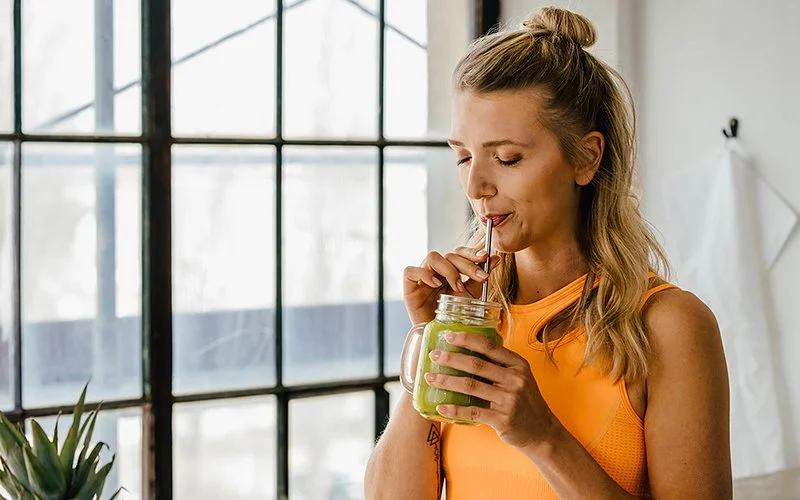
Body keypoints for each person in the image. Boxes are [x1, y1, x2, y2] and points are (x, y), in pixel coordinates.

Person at [364, 6, 733, 500]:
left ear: (586, 157)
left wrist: (543, 437)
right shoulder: (468, 317)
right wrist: (429, 342)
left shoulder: (668, 327)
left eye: (507, 157)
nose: (476, 185)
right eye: (464, 156)